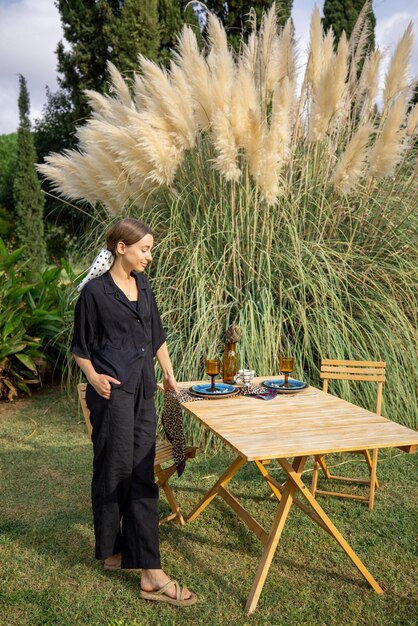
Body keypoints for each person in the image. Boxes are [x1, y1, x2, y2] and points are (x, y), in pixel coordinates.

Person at [71, 218, 196, 607]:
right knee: (114, 469)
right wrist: (93, 378)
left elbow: (155, 334)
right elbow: (80, 347)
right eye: (145, 249)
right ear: (121, 247)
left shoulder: (143, 284)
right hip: (111, 396)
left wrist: (171, 376)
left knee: (140, 470)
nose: (150, 257)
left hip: (143, 392)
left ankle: (143, 566)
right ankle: (123, 555)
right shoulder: (94, 293)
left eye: (151, 249)